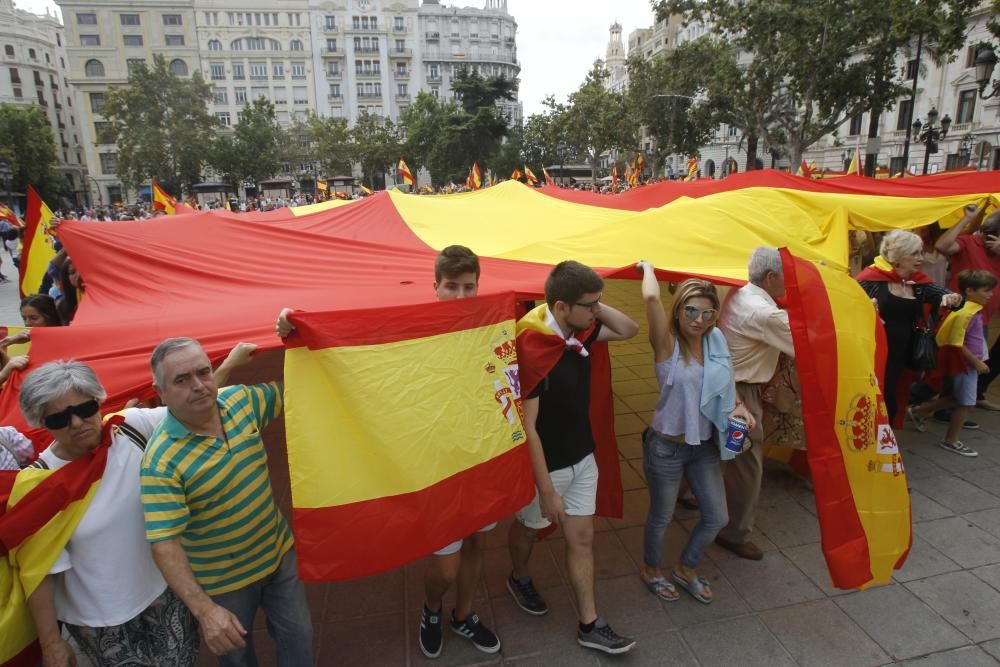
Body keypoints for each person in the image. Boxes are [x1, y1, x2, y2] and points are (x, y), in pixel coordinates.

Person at [276, 246, 502, 659]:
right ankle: (432, 608)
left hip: (481, 453)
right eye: (451, 287)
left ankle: (464, 614)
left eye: (468, 287)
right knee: (445, 567)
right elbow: (359, 347)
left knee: (477, 545)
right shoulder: (413, 327)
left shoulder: (487, 321)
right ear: (435, 287)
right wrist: (295, 328)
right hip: (438, 466)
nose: (460, 296)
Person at [18, 346, 254, 667]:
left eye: (85, 408)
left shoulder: (130, 428)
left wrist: (231, 362)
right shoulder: (38, 484)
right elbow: (40, 574)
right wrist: (52, 643)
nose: (77, 423)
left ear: (98, 401)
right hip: (101, 623)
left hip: (165, 593)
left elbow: (190, 404)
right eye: (59, 418)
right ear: (41, 422)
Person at [141, 338, 313, 667]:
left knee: (299, 636)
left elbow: (295, 387)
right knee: (237, 657)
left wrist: (305, 338)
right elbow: (164, 545)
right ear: (159, 391)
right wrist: (205, 611)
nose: (198, 385)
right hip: (225, 584)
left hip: (278, 555)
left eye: (204, 372)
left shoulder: (240, 401)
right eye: (181, 379)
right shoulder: (160, 464)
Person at [507, 260, 640, 655]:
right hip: (545, 467)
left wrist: (596, 305)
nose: (596, 312)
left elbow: (629, 329)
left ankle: (590, 623)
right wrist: (546, 490)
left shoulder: (581, 328)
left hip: (583, 457)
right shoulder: (532, 345)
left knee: (582, 539)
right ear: (561, 306)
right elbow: (527, 426)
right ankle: (518, 576)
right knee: (529, 529)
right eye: (590, 305)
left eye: (598, 305)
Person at [636, 267, 754, 604]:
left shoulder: (715, 341)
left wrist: (739, 409)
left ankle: (685, 568)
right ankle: (651, 569)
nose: (699, 319)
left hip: (705, 445)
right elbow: (649, 296)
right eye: (691, 310)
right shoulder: (666, 344)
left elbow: (723, 389)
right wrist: (647, 267)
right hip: (667, 447)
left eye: (707, 312)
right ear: (678, 309)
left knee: (717, 516)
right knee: (661, 515)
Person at [713, 248, 795, 560]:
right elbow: (808, 341)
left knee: (707, 446)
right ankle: (735, 532)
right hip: (740, 396)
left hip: (719, 384)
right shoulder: (766, 313)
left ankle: (689, 493)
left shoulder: (739, 291)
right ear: (771, 277)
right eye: (789, 276)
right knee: (745, 461)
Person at [857, 230, 962, 427]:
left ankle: (884, 443)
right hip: (873, 351)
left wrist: (954, 299)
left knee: (893, 397)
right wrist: (866, 310)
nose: (920, 258)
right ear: (898, 255)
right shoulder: (869, 279)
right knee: (878, 397)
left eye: (920, 253)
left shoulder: (918, 283)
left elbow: (946, 297)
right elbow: (848, 309)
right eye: (915, 253)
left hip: (903, 352)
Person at [909, 269, 997, 456]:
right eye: (985, 290)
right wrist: (977, 362)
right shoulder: (966, 312)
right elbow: (956, 343)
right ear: (969, 291)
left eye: (991, 290)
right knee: (966, 403)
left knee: (960, 398)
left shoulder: (969, 310)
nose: (990, 295)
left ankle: (921, 411)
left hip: (965, 363)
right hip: (966, 364)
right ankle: (951, 440)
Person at [935, 205, 1000, 410]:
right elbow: (943, 245)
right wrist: (966, 219)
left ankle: (949, 408)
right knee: (957, 365)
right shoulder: (969, 243)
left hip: (982, 318)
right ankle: (932, 406)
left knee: (964, 368)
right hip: (960, 316)